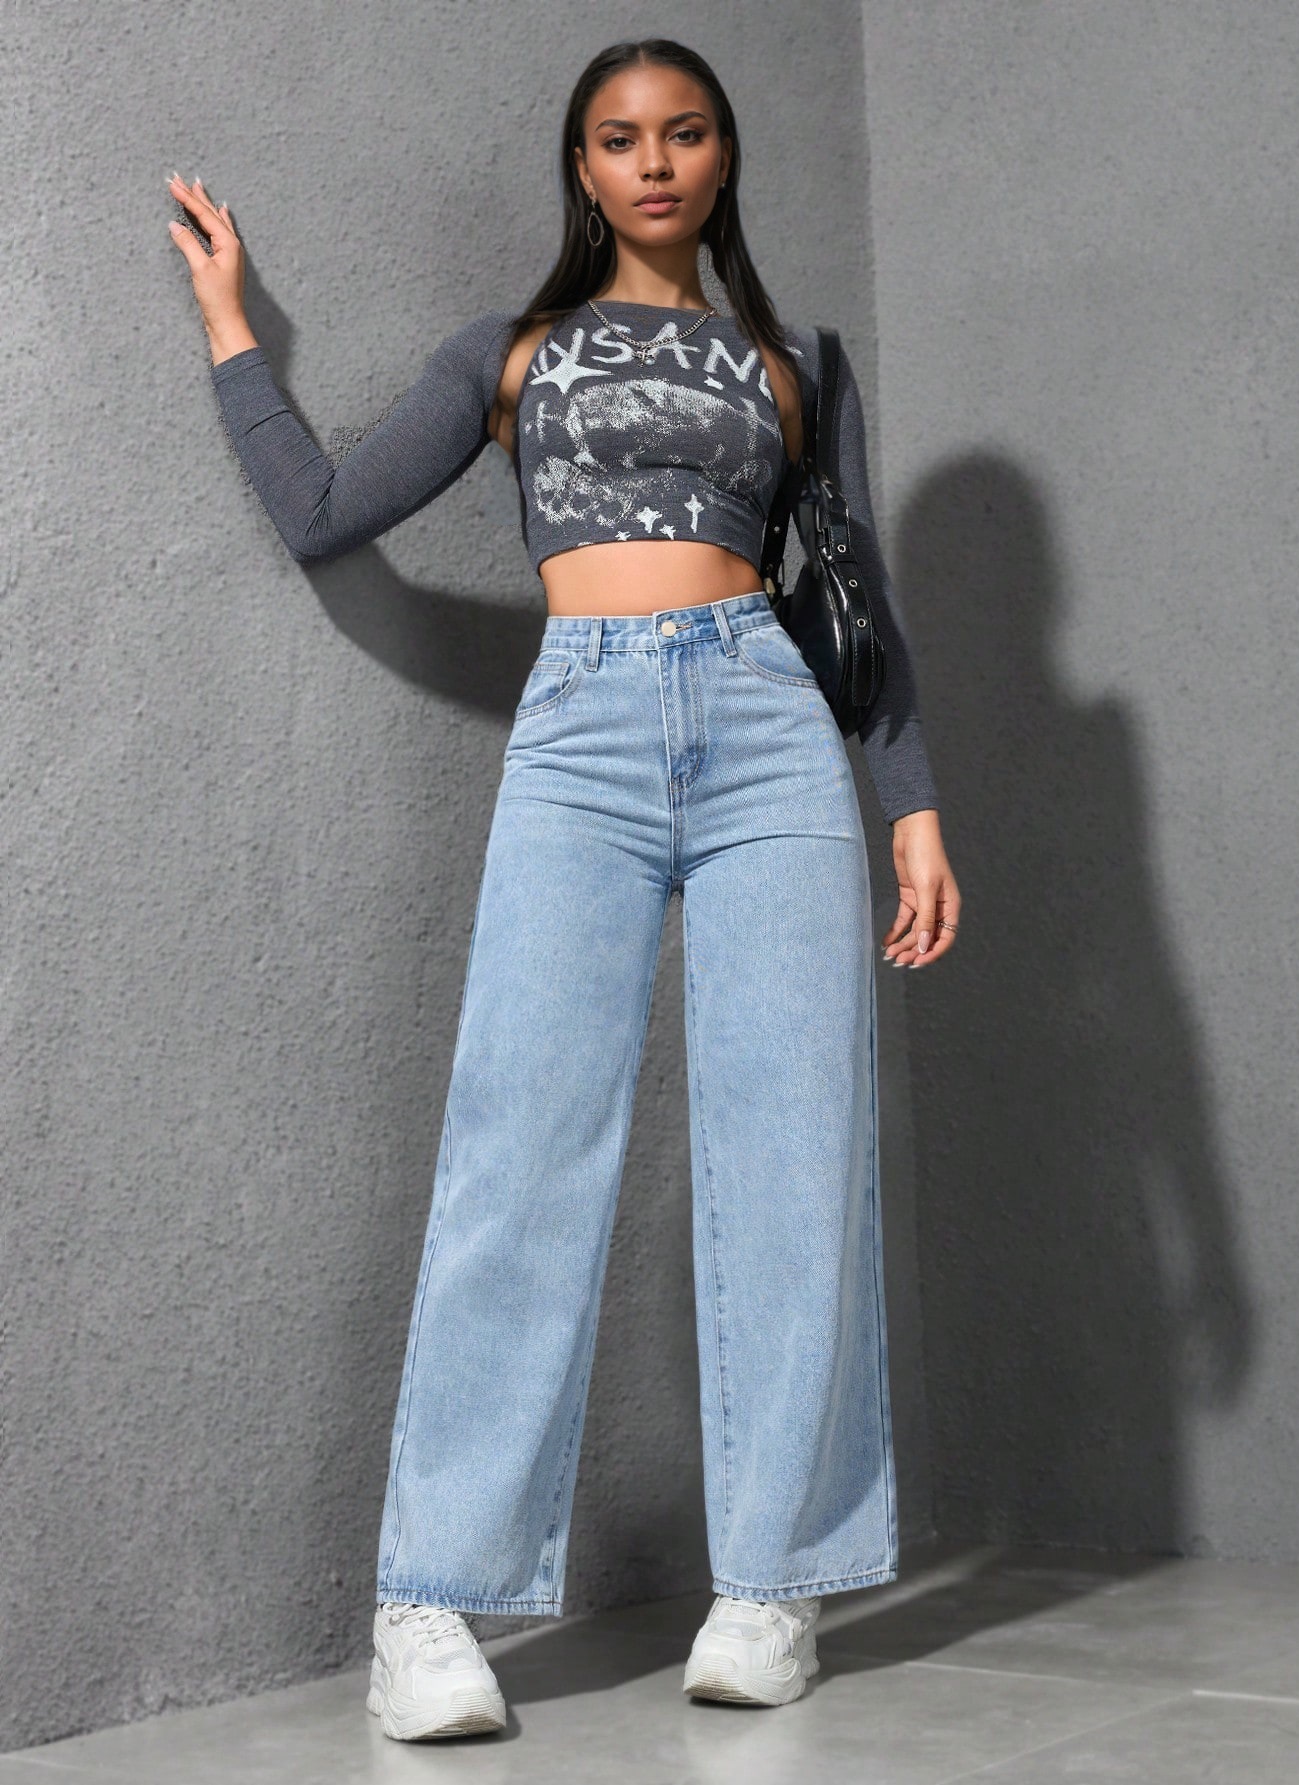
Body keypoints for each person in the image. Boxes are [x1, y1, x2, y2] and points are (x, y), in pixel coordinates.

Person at [167, 35, 962, 1742]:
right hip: (584, 733)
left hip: (769, 733)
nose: (654, 162)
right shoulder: (511, 353)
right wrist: (235, 331)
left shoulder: (795, 363)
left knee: (794, 1152)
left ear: (723, 157)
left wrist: (910, 807)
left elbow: (858, 598)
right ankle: (427, 1600)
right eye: (619, 138)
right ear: (583, 170)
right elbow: (326, 511)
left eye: (684, 133)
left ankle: (773, 1580)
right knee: (517, 1148)